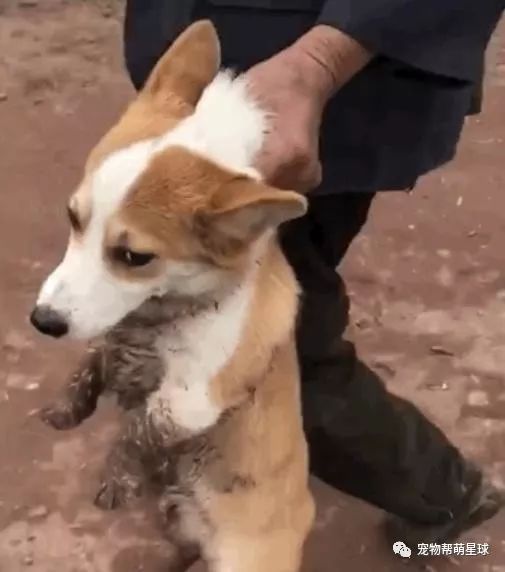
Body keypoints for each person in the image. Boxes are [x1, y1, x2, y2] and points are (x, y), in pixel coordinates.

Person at [123, 0, 505, 545]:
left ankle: (441, 493)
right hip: (210, 84)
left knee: (269, 350)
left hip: (312, 104)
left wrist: (319, 64)